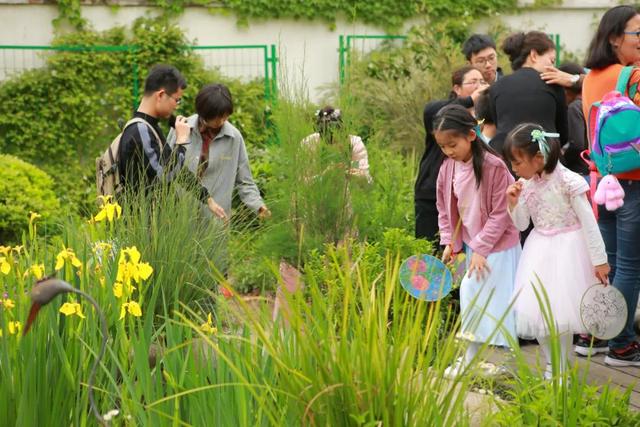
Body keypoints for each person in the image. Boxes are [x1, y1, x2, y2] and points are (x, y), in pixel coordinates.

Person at [505, 123, 609, 379]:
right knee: (537, 312)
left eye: (518, 163)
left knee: (560, 315)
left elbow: (589, 223)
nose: (514, 169)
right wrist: (513, 203)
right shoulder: (526, 184)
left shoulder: (569, 181)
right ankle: (552, 363)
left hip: (569, 251)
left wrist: (600, 260)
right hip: (539, 250)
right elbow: (521, 224)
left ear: (538, 158)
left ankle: (561, 366)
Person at [435, 105, 521, 376]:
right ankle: (473, 358)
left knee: (492, 298)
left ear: (471, 135)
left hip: (498, 246)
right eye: (443, 146)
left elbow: (500, 213)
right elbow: (444, 208)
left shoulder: (494, 166)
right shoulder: (447, 167)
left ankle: (501, 361)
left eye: (452, 144)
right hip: (472, 244)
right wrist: (450, 242)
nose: (448, 151)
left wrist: (482, 250)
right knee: (473, 296)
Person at [580, 5, 640, 366]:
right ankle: (622, 345)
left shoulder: (590, 76)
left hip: (603, 184)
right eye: (638, 33)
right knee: (631, 266)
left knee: (612, 263)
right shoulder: (632, 76)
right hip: (633, 182)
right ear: (615, 38)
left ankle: (599, 336)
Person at [117, 64, 218, 213]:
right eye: (177, 100)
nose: (177, 106)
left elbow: (175, 170)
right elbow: (164, 177)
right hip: (146, 230)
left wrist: (207, 199)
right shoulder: (140, 131)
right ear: (161, 95)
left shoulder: (149, 127)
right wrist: (181, 142)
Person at [167, 83, 269, 221]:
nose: (221, 121)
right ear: (204, 112)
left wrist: (259, 206)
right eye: (217, 117)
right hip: (179, 218)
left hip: (216, 221)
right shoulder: (180, 129)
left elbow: (245, 181)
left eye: (225, 116)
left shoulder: (234, 138)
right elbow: (166, 170)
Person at [415, 66, 488, 242]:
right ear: (456, 88)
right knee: (431, 250)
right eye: (473, 82)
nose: (479, 86)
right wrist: (470, 99)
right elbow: (431, 111)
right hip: (433, 193)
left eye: (482, 82)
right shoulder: (442, 111)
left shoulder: (484, 114)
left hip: (469, 195)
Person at [489, 31, 568, 161]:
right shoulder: (552, 84)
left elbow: (499, 125)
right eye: (551, 61)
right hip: (545, 160)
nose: (553, 67)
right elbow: (563, 134)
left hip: (508, 160)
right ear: (534, 55)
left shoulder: (497, 86)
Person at [302, 106, 372, 183]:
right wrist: (325, 176)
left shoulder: (354, 143)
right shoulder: (309, 143)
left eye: (340, 138)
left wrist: (361, 177)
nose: (336, 145)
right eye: (330, 140)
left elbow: (368, 182)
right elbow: (301, 182)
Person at [557, 62, 590, 175]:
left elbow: (576, 144)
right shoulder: (589, 103)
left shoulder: (574, 107)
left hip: (580, 170)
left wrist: (561, 162)